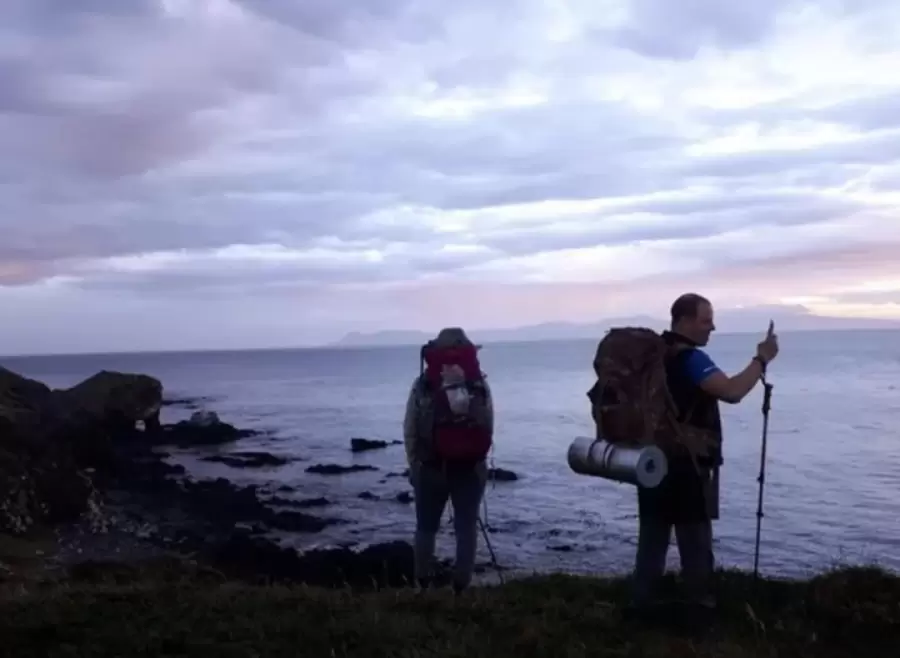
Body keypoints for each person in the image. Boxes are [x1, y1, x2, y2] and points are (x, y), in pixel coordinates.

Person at [630, 293, 780, 619]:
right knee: (695, 541)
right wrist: (761, 360)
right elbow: (732, 391)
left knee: (652, 539)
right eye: (705, 319)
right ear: (684, 321)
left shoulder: (656, 356)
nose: (712, 327)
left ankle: (640, 609)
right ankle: (699, 614)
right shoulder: (690, 359)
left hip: (651, 461)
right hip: (686, 466)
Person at [402, 327, 494, 594]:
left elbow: (409, 428)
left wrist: (413, 465)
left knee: (426, 528)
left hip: (429, 468)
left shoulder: (423, 384)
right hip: (469, 470)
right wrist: (478, 462)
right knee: (466, 529)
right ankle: (461, 588)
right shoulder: (478, 383)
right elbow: (488, 425)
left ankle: (423, 585)